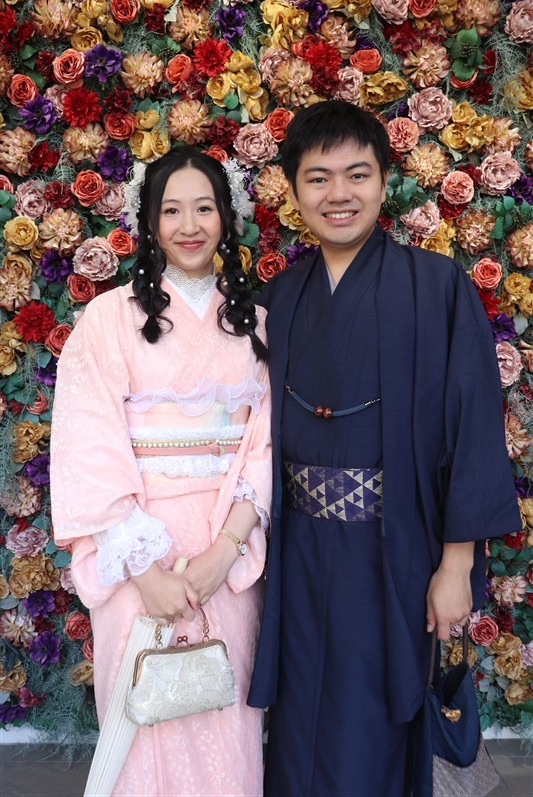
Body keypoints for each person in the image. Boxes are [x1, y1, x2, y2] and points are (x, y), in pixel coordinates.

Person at [247, 101, 521, 797]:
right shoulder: (281, 296)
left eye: (356, 174)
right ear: (293, 189)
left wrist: (456, 564)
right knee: (298, 718)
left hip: (392, 549)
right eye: (318, 178)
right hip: (297, 550)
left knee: (369, 726)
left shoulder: (436, 287)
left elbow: (471, 426)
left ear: (383, 181)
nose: (338, 194)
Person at [51, 148, 271, 797]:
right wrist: (146, 570)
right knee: (144, 721)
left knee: (227, 718)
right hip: (137, 552)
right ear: (148, 222)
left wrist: (224, 551)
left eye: (204, 208)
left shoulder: (254, 324)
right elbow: (88, 445)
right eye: (171, 210)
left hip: (224, 552)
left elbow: (264, 445)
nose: (189, 226)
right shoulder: (107, 319)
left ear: (227, 218)